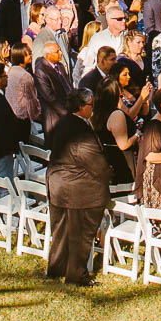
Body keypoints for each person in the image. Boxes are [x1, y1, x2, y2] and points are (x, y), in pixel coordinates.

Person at [47, 89, 112, 285]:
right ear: (82, 107)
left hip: (57, 184)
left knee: (60, 231)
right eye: (91, 105)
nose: (93, 108)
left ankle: (57, 268)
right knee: (80, 234)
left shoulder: (63, 122)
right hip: (76, 189)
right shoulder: (81, 131)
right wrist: (110, 174)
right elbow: (96, 165)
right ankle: (76, 275)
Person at [95, 74, 139, 187]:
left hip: (108, 161)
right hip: (123, 162)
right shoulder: (116, 115)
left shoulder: (96, 112)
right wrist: (137, 135)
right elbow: (123, 144)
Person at [77, 4, 128, 81]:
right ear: (109, 20)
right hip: (103, 83)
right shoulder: (97, 38)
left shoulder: (128, 37)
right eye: (120, 19)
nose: (124, 21)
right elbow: (88, 64)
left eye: (125, 18)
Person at [33, 40, 73, 135]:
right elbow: (50, 98)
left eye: (60, 50)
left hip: (68, 109)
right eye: (57, 52)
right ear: (48, 55)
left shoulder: (60, 66)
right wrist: (67, 114)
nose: (61, 53)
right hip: (54, 117)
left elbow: (68, 86)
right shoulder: (41, 71)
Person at [6, 46, 42, 125]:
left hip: (11, 113)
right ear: (21, 56)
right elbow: (31, 99)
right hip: (23, 117)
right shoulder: (25, 76)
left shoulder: (10, 71)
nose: (31, 55)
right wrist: (38, 114)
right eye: (29, 53)